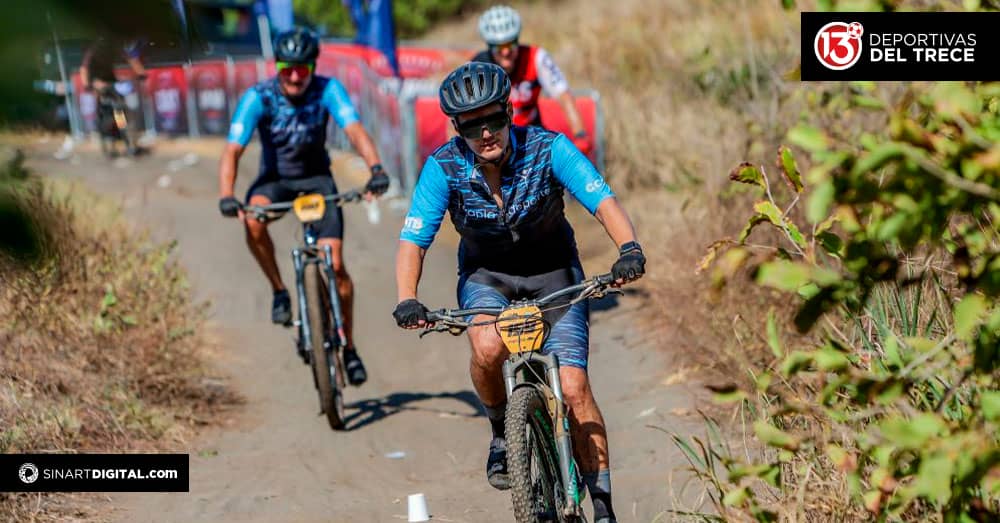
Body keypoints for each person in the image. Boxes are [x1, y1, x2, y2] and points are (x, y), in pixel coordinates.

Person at [392, 62, 644, 523]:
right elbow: (413, 240)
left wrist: (628, 248)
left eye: (494, 120)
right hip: (487, 276)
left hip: (554, 273)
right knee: (487, 347)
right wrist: (407, 296)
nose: (486, 133)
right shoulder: (442, 168)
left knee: (573, 386)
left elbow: (601, 200)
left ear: (510, 112)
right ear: (456, 127)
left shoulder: (548, 148)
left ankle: (604, 507)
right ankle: (501, 431)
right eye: (472, 125)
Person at [217, 28, 390, 386]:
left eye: (302, 68)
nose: (295, 75)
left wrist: (376, 169)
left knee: (338, 267)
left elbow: (355, 130)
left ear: (312, 67)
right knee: (252, 222)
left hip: (317, 181)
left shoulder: (327, 89)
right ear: (277, 67)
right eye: (287, 68)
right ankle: (280, 290)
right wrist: (226, 194)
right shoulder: (258, 97)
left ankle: (349, 346)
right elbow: (232, 150)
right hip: (275, 181)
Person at [472, 5, 593, 155]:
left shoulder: (536, 57)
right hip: (495, 144)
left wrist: (580, 135)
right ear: (489, 46)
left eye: (511, 44)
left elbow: (564, 96)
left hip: (533, 138)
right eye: (499, 47)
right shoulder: (476, 68)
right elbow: (459, 117)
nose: (506, 51)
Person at [79, 36, 148, 146]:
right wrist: (87, 84)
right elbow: (84, 69)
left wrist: (141, 73)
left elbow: (131, 59)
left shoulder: (116, 49)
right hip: (96, 79)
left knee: (118, 106)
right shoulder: (93, 53)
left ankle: (122, 128)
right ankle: (102, 129)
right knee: (102, 97)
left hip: (110, 79)